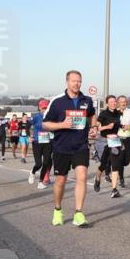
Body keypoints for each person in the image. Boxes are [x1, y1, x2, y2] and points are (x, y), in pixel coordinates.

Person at [43, 70, 97, 227]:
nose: (77, 84)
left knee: (82, 176)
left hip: (80, 145)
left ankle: (79, 213)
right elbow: (45, 124)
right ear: (67, 82)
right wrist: (62, 124)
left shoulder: (86, 100)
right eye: (74, 81)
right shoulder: (57, 101)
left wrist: (93, 126)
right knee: (60, 181)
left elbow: (92, 115)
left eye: (79, 81)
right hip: (61, 147)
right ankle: (58, 209)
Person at [93, 95, 124, 198]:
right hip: (104, 141)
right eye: (111, 102)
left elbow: (121, 125)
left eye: (115, 101)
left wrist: (125, 127)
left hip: (114, 141)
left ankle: (114, 189)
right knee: (103, 165)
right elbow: (97, 127)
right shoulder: (103, 114)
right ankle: (97, 179)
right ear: (107, 103)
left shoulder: (119, 113)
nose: (113, 103)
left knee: (115, 165)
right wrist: (107, 126)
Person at [29, 99, 53, 189]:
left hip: (47, 142)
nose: (45, 109)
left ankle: (40, 182)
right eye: (43, 108)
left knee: (46, 162)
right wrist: (29, 136)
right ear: (39, 108)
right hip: (37, 142)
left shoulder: (51, 117)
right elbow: (27, 125)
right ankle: (32, 172)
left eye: (46, 108)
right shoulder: (36, 116)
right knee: (38, 164)